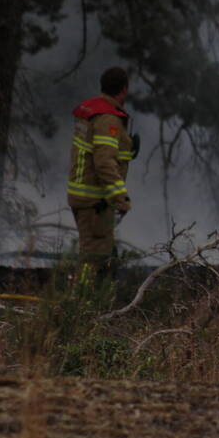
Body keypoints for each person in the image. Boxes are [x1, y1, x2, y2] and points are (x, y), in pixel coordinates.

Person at [67, 66, 136, 283]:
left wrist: (129, 150)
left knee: (100, 253)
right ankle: (82, 301)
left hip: (86, 196)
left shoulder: (94, 111)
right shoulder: (108, 119)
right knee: (93, 258)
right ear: (124, 89)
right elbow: (104, 162)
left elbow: (100, 151)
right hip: (94, 200)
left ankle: (91, 301)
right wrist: (121, 197)